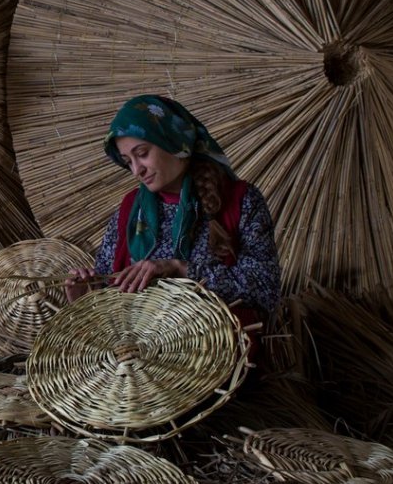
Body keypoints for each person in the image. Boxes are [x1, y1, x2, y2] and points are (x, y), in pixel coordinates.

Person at [65, 95, 280, 323]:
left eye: (142, 154)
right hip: (137, 343)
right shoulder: (130, 209)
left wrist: (181, 269)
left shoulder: (240, 200)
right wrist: (86, 297)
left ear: (174, 141)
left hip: (217, 341)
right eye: (128, 161)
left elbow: (266, 289)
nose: (136, 170)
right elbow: (108, 293)